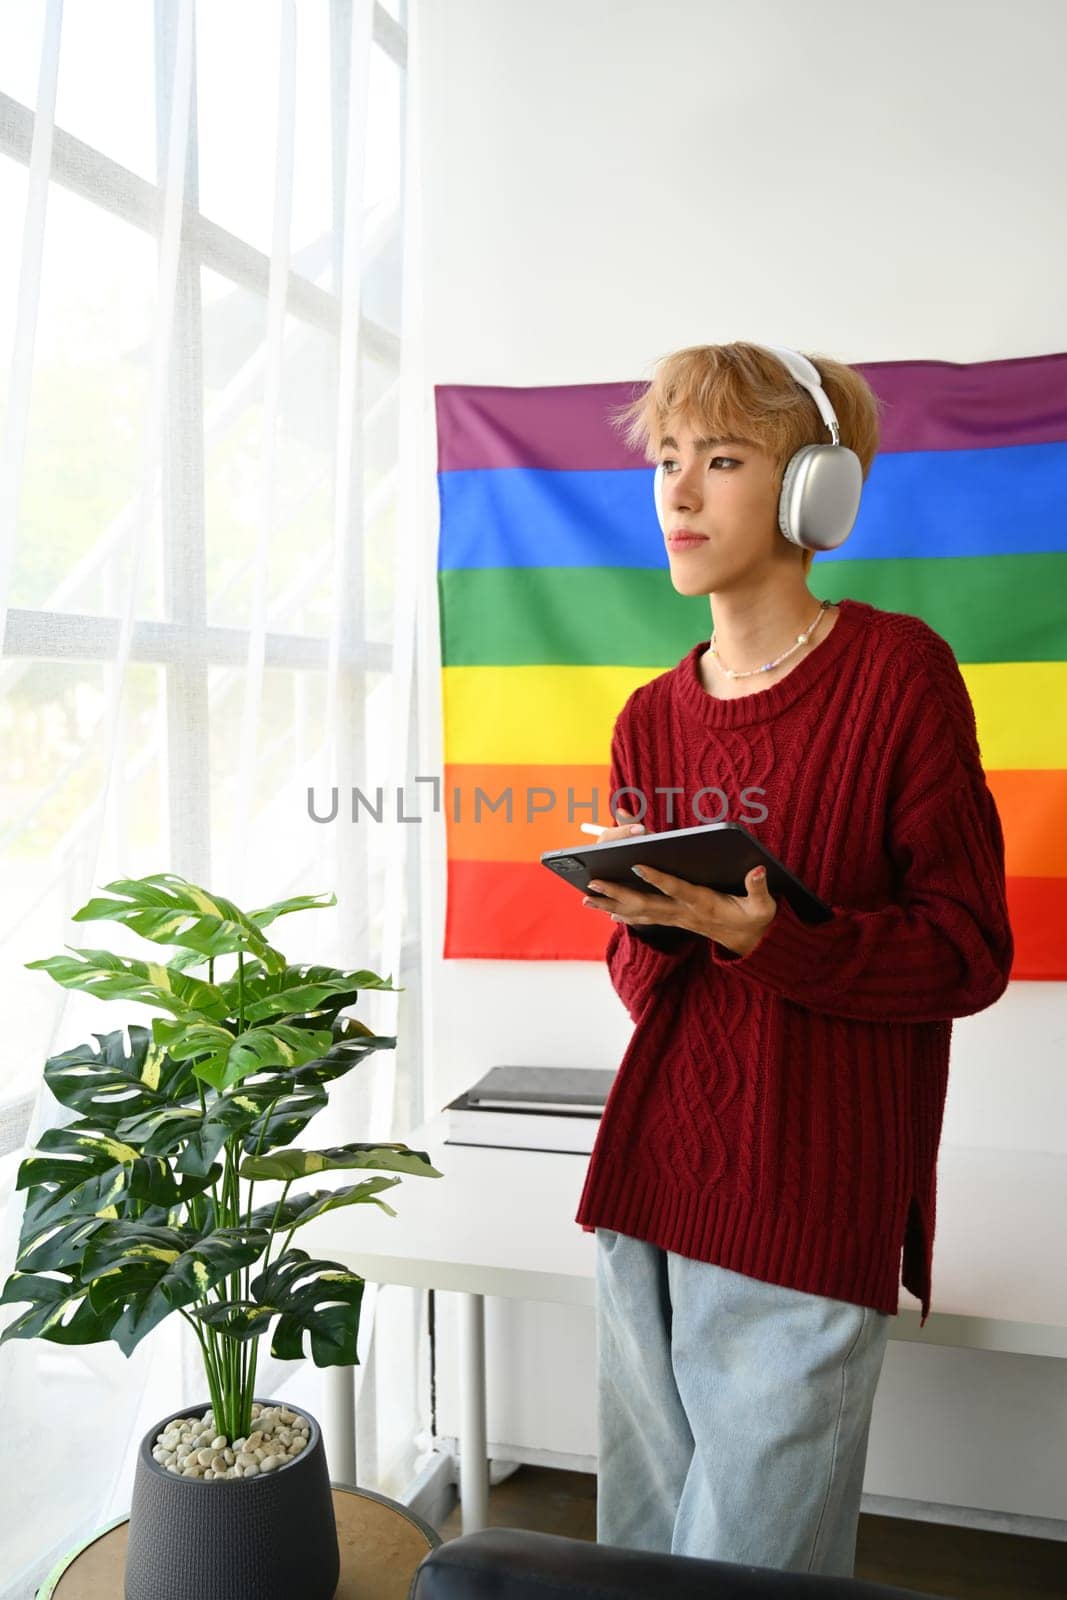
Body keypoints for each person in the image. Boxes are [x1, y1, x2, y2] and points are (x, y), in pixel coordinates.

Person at [572, 341, 1014, 1578]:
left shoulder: (897, 676)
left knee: (747, 1572)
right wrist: (648, 923)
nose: (677, 492)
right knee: (639, 1559)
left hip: (809, 1195)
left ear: (814, 490)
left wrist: (783, 944)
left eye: (719, 460)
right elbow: (650, 987)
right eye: (666, 461)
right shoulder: (647, 717)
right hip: (646, 1191)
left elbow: (968, 950)